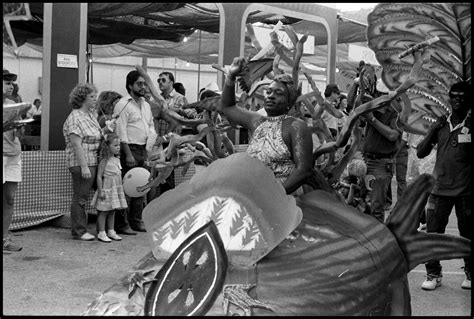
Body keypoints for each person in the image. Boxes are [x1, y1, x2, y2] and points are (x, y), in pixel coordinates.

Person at [220, 57, 314, 195]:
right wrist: (231, 76)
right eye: (269, 91)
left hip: (284, 197)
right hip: (253, 192)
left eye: (278, 93)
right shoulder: (257, 121)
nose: (270, 96)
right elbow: (227, 107)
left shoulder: (296, 126)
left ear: (289, 101)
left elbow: (303, 170)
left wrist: (274, 195)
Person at [417, 81, 471, 291]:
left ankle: (470, 271)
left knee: (468, 233)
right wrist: (433, 129)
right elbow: (421, 151)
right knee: (433, 234)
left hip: (466, 191)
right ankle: (433, 273)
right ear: (449, 98)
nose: (457, 99)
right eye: (454, 95)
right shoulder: (441, 124)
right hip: (439, 190)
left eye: (462, 96)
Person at [113, 70, 156, 234]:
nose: (143, 87)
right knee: (125, 188)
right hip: (128, 149)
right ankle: (122, 224)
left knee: (141, 186)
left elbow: (151, 125)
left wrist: (148, 149)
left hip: (143, 149)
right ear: (130, 86)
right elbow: (120, 130)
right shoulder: (123, 104)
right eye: (139, 84)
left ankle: (136, 221)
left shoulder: (146, 105)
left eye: (145, 83)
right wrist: (128, 153)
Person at [63, 83, 104, 241]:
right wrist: (84, 166)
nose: (95, 99)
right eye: (92, 97)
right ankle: (79, 231)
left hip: (93, 160)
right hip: (82, 162)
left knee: (86, 196)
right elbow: (76, 143)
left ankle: (95, 228)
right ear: (82, 98)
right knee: (81, 197)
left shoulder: (90, 116)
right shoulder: (75, 117)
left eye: (95, 96)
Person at [360, 78, 402, 223]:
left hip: (381, 163)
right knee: (362, 202)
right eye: (379, 93)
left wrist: (372, 120)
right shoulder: (372, 109)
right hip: (366, 160)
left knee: (376, 206)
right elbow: (354, 105)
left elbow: (392, 135)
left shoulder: (394, 114)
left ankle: (377, 239)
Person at [90, 133, 127, 243]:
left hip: (115, 189)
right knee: (103, 211)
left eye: (119, 145)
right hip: (107, 189)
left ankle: (111, 230)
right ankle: (101, 232)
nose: (118, 147)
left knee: (112, 211)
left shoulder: (117, 159)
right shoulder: (104, 160)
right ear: (107, 146)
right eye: (115, 145)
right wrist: (101, 190)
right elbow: (99, 176)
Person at [3, 69, 23, 251]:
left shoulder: (13, 104)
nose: (10, 86)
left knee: (9, 198)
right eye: (6, 83)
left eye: (11, 83)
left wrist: (20, 126)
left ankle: (4, 238)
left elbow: (18, 134)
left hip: (13, 153)